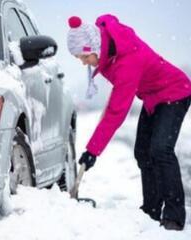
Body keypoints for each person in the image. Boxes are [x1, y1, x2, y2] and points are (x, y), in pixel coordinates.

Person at [67, 14, 191, 231]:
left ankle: (174, 215)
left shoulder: (127, 62)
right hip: (153, 97)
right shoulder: (107, 47)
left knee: (161, 149)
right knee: (143, 152)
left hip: (175, 92)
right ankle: (151, 210)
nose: (83, 63)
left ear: (93, 48)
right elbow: (107, 19)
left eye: (83, 57)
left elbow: (116, 112)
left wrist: (93, 151)